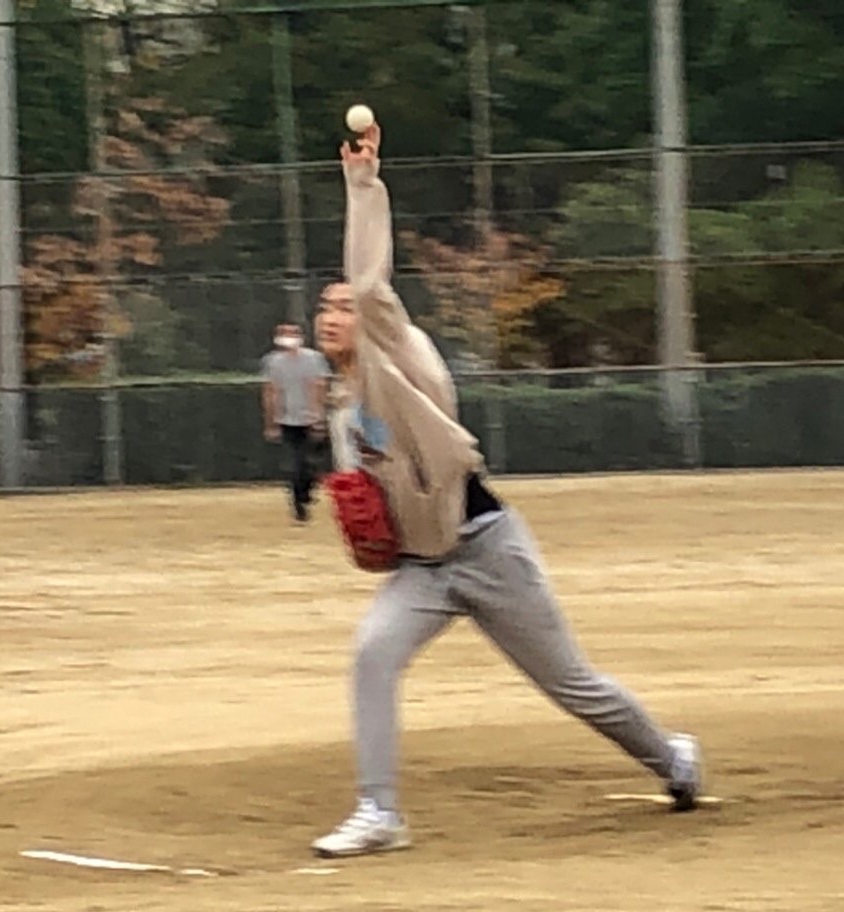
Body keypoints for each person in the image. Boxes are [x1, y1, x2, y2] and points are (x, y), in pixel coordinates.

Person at [308, 122, 702, 859]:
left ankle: (673, 760)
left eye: (340, 307)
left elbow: (369, 284)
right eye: (322, 308)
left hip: (487, 548)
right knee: (372, 655)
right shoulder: (342, 407)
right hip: (423, 569)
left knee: (573, 685)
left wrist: (362, 186)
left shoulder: (402, 360)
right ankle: (379, 812)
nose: (331, 315)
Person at [261, 323, 332, 523]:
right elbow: (270, 392)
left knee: (311, 462)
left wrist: (319, 417)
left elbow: (318, 387)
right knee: (297, 462)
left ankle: (306, 490)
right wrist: (271, 421)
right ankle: (299, 502)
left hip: (310, 419)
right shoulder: (272, 362)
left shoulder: (314, 359)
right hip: (287, 419)